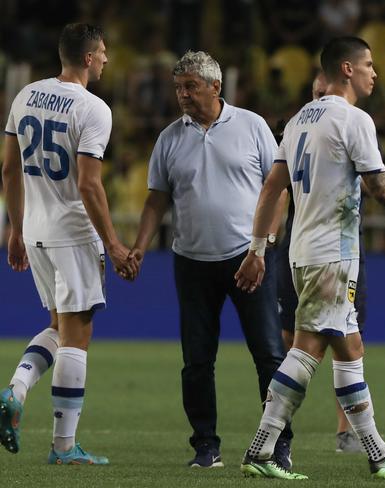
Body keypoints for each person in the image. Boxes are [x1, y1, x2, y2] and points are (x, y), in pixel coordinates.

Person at [234, 36, 385, 480]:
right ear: (346, 69)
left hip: (301, 251)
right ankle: (261, 449)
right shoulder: (353, 119)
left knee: (345, 349)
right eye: (368, 64)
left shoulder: (297, 121)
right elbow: (380, 187)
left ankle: (376, 452)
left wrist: (257, 249)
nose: (375, 73)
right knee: (307, 352)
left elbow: (273, 188)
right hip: (334, 253)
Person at [127, 50, 292, 470]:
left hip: (248, 259)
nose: (182, 94)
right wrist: (140, 247)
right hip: (191, 262)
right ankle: (206, 447)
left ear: (215, 87)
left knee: (270, 355)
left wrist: (263, 246)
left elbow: (279, 191)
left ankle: (278, 445)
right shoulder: (169, 138)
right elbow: (156, 201)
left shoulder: (252, 126)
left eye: (190, 86)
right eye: (178, 87)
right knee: (197, 362)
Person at [0, 23, 137, 464]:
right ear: (89, 57)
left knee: (60, 327)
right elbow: (89, 183)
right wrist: (113, 244)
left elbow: (7, 170)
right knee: (78, 335)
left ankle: (17, 389)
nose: (106, 60)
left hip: (36, 230)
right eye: (103, 53)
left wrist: (15, 228)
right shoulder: (93, 109)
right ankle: (63, 446)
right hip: (73, 232)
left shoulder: (25, 96)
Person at [275, 72, 365, 454]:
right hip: (323, 248)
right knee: (303, 344)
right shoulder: (313, 126)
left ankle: (360, 439)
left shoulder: (302, 126)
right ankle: (271, 433)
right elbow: (278, 191)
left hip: (312, 249)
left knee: (347, 342)